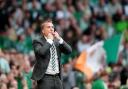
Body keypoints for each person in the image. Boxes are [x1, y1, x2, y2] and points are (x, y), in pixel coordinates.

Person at [31, 19, 72, 89]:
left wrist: (60, 39)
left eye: (52, 27)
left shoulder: (56, 41)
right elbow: (41, 52)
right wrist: (49, 40)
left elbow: (69, 51)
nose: (51, 29)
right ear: (43, 31)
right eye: (48, 27)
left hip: (57, 78)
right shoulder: (37, 41)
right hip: (45, 78)